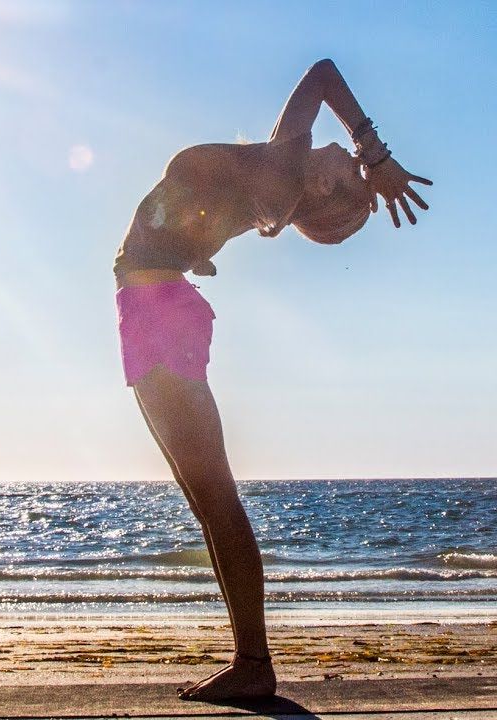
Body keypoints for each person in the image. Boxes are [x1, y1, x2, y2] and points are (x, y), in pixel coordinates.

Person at [113, 59, 431, 701]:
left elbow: (321, 73)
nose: (350, 161)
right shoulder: (279, 177)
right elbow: (207, 207)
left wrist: (377, 152)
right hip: (155, 309)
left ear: (323, 187)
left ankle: (254, 664)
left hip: (160, 315)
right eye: (354, 165)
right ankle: (249, 661)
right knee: (206, 500)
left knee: (215, 496)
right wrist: (186, 245)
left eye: (348, 173)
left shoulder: (287, 166)